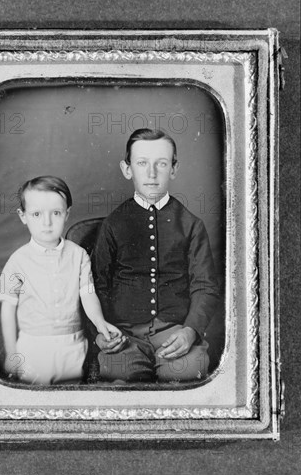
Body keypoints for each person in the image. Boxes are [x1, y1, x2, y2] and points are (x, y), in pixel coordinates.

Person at [92, 128, 220, 383]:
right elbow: (95, 286)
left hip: (175, 332)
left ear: (173, 169)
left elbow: (205, 287)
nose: (151, 174)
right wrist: (100, 333)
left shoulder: (191, 225)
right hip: (123, 334)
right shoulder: (114, 224)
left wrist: (190, 332)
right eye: (142, 163)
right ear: (127, 169)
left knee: (188, 373)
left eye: (161, 164)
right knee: (122, 376)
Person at [0, 176, 123, 385]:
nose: (47, 222)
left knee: (70, 401)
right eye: (36, 214)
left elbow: (87, 294)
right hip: (34, 347)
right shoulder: (18, 260)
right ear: (23, 216)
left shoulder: (78, 255)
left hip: (73, 345)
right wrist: (11, 353)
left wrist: (100, 323)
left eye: (56, 213)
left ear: (67, 213)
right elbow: (8, 308)